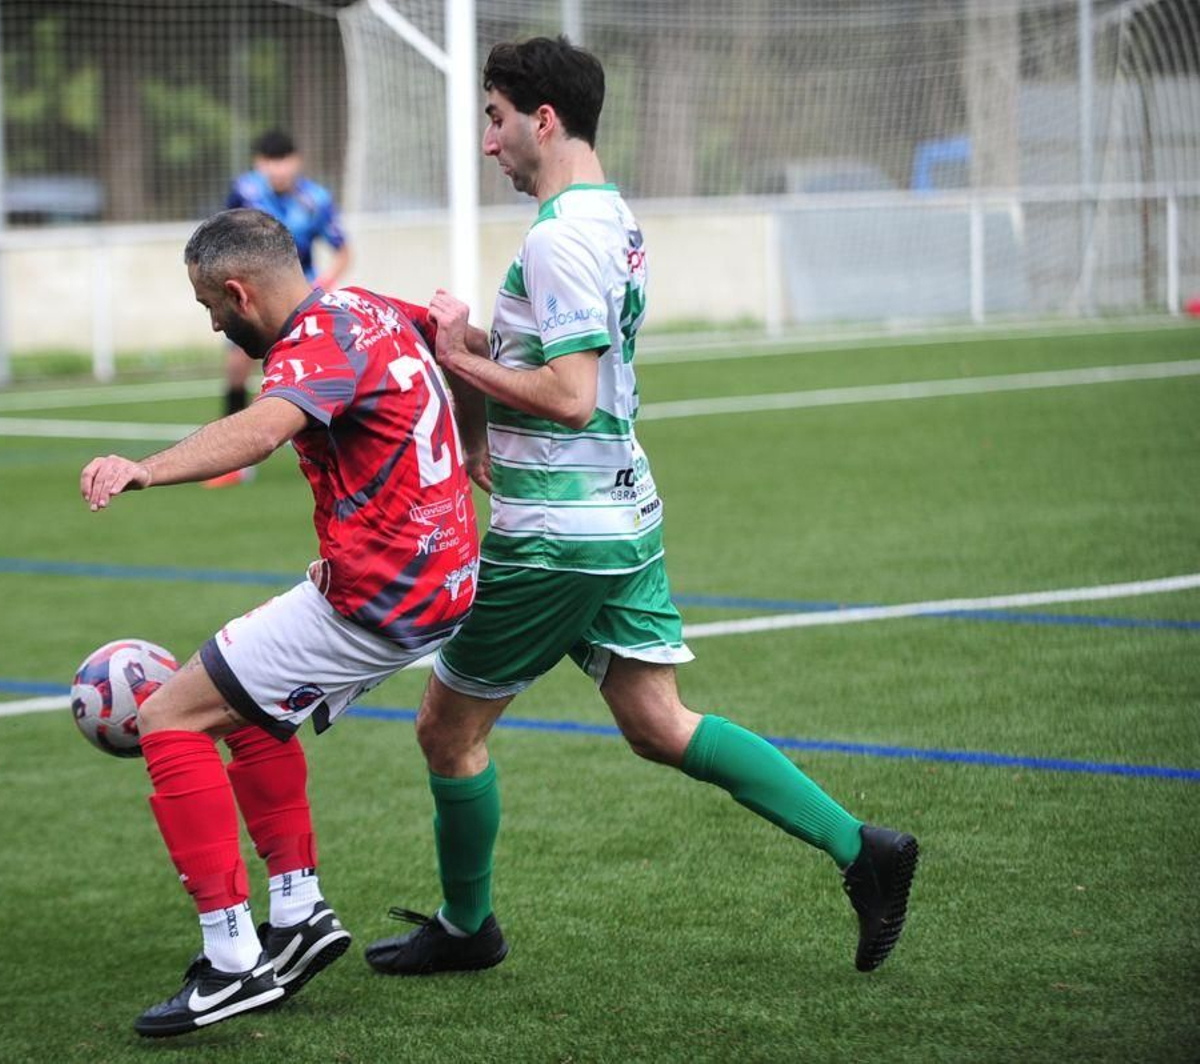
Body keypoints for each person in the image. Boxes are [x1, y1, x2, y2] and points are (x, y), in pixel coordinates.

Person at [364, 36, 918, 978]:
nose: (488, 144)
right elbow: (568, 383)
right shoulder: (610, 218)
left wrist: (456, 354)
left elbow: (572, 392)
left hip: (558, 540)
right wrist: (490, 434)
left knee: (445, 731)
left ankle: (468, 929)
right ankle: (863, 849)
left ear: (543, 119)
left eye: (495, 120)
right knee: (659, 722)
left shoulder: (558, 238)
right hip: (620, 514)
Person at [79, 208, 478, 1037]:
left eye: (210, 309)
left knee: (168, 717)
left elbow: (262, 431)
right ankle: (297, 913)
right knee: (251, 703)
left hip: (377, 599)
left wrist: (142, 470)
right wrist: (469, 422)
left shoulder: (310, 345)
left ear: (237, 292)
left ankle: (230, 963)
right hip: (440, 578)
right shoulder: (363, 306)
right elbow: (451, 332)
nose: (215, 324)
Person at [203, 129, 352, 488]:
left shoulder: (315, 199)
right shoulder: (246, 191)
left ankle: (329, 452)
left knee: (304, 371)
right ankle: (232, 461)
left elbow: (344, 250)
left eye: (283, 160)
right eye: (269, 161)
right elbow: (224, 239)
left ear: (297, 161)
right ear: (258, 163)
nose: (277, 169)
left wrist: (323, 286)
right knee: (237, 366)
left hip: (298, 300)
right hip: (250, 297)